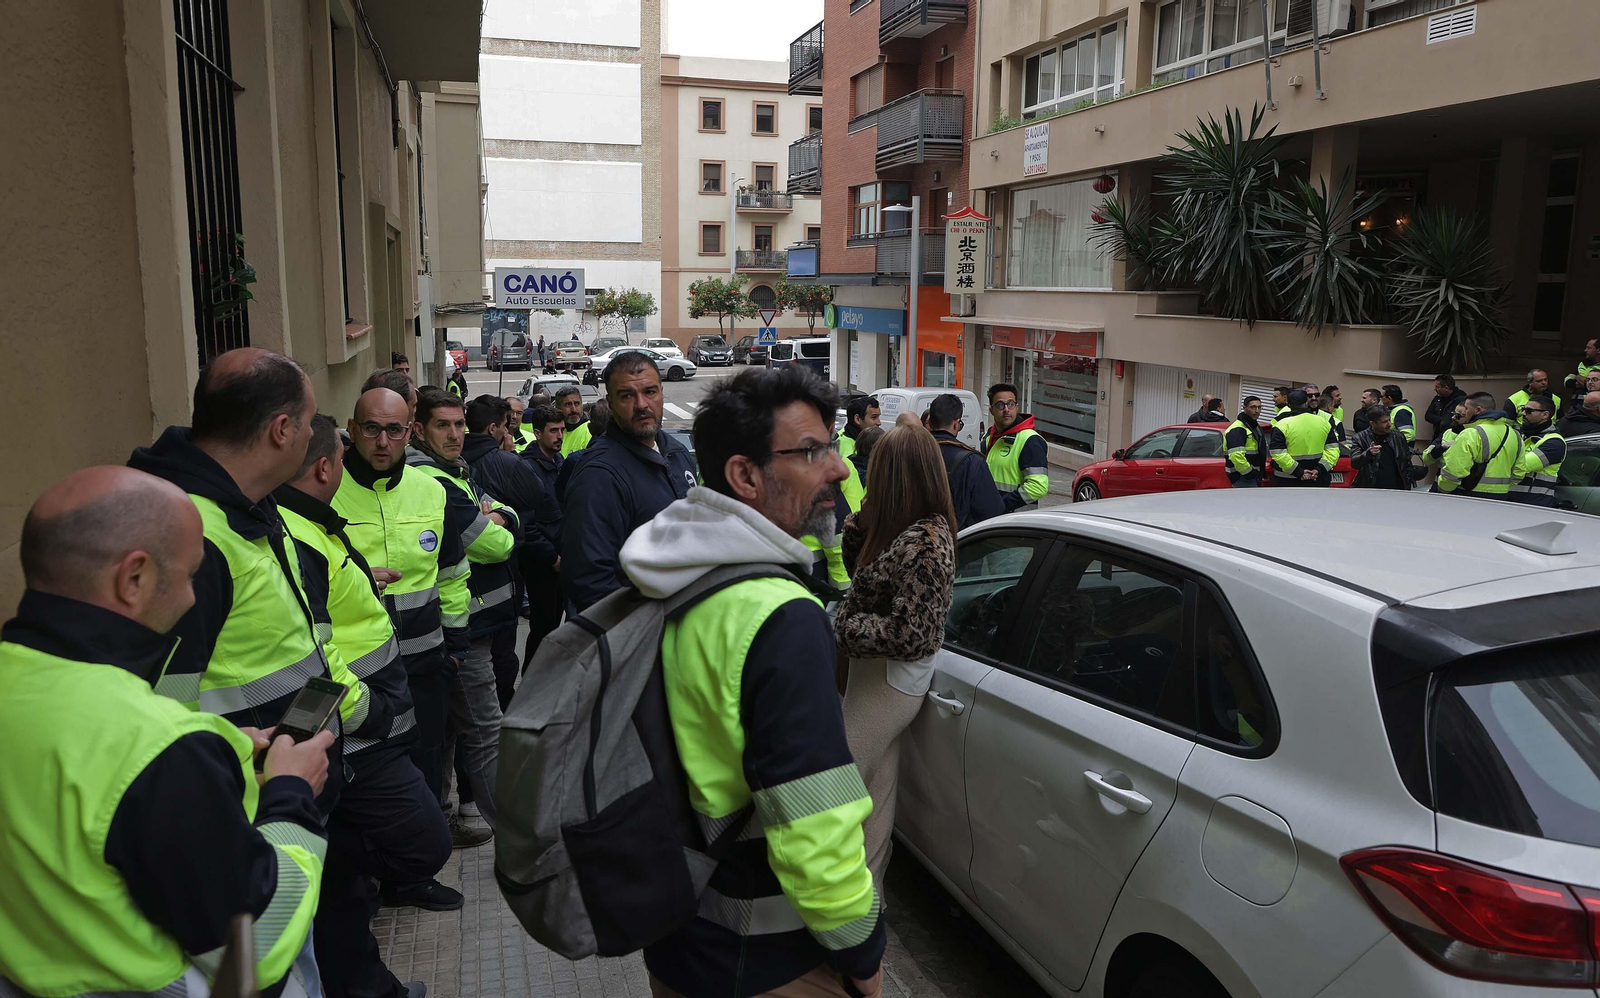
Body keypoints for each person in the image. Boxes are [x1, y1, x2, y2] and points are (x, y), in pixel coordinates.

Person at [0, 467, 331, 998]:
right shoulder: (160, 748)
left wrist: (216, 749)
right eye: (188, 575)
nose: (193, 599)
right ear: (133, 578)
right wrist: (291, 796)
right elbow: (256, 946)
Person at [618, 365, 884, 998]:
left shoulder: (672, 571)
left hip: (679, 938)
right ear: (744, 476)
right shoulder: (779, 616)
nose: (840, 469)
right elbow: (814, 822)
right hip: (766, 961)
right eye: (812, 452)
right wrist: (864, 958)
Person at [126, 348, 350, 813]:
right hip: (246, 808)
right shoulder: (190, 539)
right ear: (282, 431)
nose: (313, 435)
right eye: (307, 423)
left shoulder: (256, 502)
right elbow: (162, 710)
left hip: (287, 782)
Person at [276, 415, 447, 998]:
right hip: (343, 731)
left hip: (339, 731)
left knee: (341, 891)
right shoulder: (292, 537)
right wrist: (367, 712)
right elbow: (312, 654)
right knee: (420, 842)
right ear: (328, 465)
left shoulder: (304, 526)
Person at [333, 387, 479, 908]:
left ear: (409, 430)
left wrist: (455, 643)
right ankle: (360, 880)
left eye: (394, 430)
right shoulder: (327, 489)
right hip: (357, 672)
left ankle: (409, 876)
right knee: (365, 776)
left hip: (425, 660)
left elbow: (454, 572)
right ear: (353, 429)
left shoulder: (429, 490)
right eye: (371, 428)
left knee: (423, 763)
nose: (382, 441)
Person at [836, 428, 958, 887]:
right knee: (877, 793)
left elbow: (913, 633)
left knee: (840, 789)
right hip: (875, 676)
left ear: (898, 477)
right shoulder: (899, 527)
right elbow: (863, 578)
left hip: (891, 681)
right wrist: (859, 525)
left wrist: (844, 629)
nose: (870, 478)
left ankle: (844, 909)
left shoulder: (927, 541)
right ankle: (868, 904)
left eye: (880, 471)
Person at [406, 388, 519, 832]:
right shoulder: (433, 482)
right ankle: (512, 834)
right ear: (419, 431)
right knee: (486, 730)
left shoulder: (453, 471)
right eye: (442, 426)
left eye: (459, 424)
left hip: (470, 625)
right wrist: (497, 520)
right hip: (461, 628)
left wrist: (500, 514)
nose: (456, 434)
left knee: (451, 732)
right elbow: (496, 545)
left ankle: (442, 818)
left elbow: (504, 513)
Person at [561, 353, 698, 611]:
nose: (642, 404)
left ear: (662, 393)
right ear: (610, 404)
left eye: (650, 392)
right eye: (627, 396)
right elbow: (588, 580)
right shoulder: (599, 475)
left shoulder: (677, 453)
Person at [462, 395, 559, 708]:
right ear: (494, 428)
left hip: (460, 587)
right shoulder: (505, 461)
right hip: (502, 576)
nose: (509, 430)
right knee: (501, 653)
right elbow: (536, 495)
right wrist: (509, 459)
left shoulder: (452, 460)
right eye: (506, 425)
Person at [926, 393, 1003, 526]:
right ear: (956, 425)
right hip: (957, 540)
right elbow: (992, 511)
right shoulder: (973, 462)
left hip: (911, 540)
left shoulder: (911, 453)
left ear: (930, 423)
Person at [1438, 392, 1521, 499]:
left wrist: (1443, 488)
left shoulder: (1471, 433)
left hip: (1468, 495)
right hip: (1502, 497)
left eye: (1467, 409)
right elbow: (1519, 472)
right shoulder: (1514, 434)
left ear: (1478, 410)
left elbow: (1454, 472)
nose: (1465, 413)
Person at [982, 383, 1049, 511]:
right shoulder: (989, 437)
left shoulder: (1030, 440)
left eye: (1011, 404)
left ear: (1017, 407)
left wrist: (1001, 505)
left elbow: (1038, 487)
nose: (1006, 409)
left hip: (1016, 521)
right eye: (1000, 405)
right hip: (991, 518)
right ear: (991, 410)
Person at [1269, 389, 1339, 487]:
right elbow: (1333, 451)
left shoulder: (1281, 425)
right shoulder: (1324, 422)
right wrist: (1319, 470)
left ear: (1288, 405)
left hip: (1287, 481)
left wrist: (1299, 472)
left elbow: (1278, 454)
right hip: (1317, 480)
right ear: (1306, 403)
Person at [1510, 394, 1566, 507]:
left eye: (1529, 411)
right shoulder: (1521, 436)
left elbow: (1522, 466)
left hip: (1535, 504)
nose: (1523, 413)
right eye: (1523, 409)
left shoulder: (1554, 443)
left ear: (1545, 415)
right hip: (1513, 501)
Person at [1349, 406, 1415, 491]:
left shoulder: (1398, 437)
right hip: (1372, 489)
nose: (1389, 424)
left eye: (1389, 420)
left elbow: (1407, 463)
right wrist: (1368, 454)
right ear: (1373, 424)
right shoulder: (1360, 438)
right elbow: (1355, 463)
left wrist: (1407, 485)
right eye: (1384, 422)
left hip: (1397, 489)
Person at [1223, 396, 1268, 487]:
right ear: (1244, 408)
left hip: (1249, 476)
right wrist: (1249, 474)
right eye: (1253, 407)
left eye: (1259, 407)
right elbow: (1236, 456)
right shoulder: (1238, 429)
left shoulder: (1253, 426)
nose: (1257, 411)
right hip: (1242, 477)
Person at [1424, 375, 1466, 442]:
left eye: (1437, 387)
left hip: (1453, 436)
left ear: (1446, 388)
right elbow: (1428, 415)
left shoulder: (1460, 399)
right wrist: (1442, 421)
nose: (1435, 389)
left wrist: (1445, 421)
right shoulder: (1438, 398)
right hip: (1438, 435)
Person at [839, 394, 881, 462]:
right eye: (874, 417)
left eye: (878, 417)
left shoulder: (866, 440)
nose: (879, 422)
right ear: (857, 419)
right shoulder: (847, 452)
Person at [553, 384, 592, 456]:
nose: (573, 409)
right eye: (568, 405)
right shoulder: (553, 432)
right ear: (557, 408)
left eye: (577, 404)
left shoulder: (590, 431)